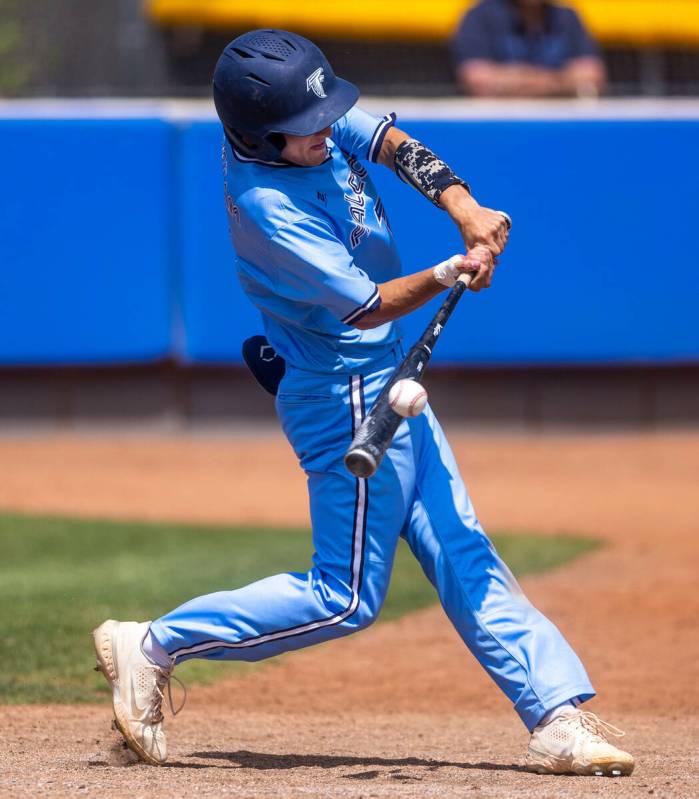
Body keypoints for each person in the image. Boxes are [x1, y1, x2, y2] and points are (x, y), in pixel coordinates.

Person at [92, 29, 633, 777]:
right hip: (342, 390)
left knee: (460, 545)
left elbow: (385, 140)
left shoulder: (296, 118)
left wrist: (462, 204)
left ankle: (554, 717)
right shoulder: (266, 203)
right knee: (343, 596)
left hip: (380, 375)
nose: (325, 131)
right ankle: (152, 644)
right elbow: (368, 307)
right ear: (259, 135)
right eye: (307, 129)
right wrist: (449, 269)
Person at [451, 0, 607, 97]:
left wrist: (512, 81)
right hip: (500, 127)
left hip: (560, 126)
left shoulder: (567, 16)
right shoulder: (479, 16)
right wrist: (561, 81)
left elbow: (593, 75)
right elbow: (478, 80)